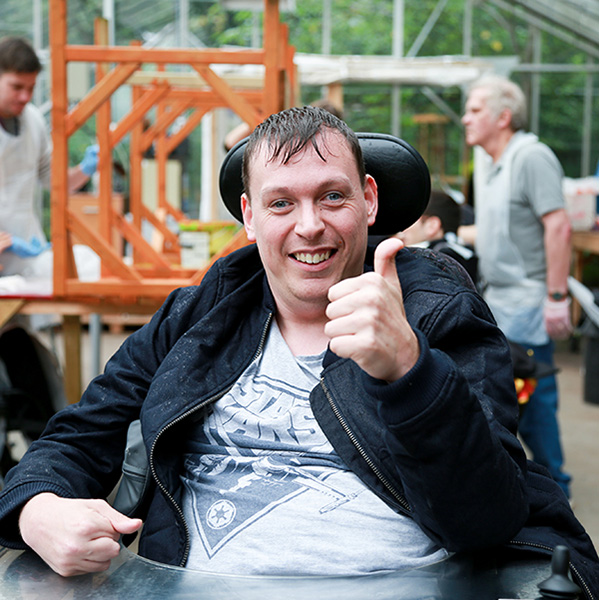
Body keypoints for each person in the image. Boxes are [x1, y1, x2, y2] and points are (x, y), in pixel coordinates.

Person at [0, 107, 597, 594]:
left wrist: (410, 371)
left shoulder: (438, 311)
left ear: (369, 199)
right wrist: (36, 510)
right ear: (250, 215)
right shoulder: (200, 314)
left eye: (331, 197)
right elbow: (77, 435)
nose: (309, 225)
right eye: (282, 203)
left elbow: (485, 517)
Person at [462, 74, 574, 500]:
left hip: (529, 298)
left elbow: (558, 226)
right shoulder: (491, 163)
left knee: (535, 398)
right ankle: (526, 483)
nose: (465, 118)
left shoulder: (531, 157)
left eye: (475, 110)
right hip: (500, 297)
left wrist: (557, 296)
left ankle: (558, 491)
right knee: (510, 394)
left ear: (503, 116)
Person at [0, 36, 98, 277]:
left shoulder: (33, 122)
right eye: (16, 87)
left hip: (25, 258)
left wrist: (85, 169)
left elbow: (56, 183)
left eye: (31, 88)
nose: (25, 96)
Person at [396, 190, 478, 284]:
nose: (402, 227)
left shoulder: (431, 260)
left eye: (411, 219)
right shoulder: (461, 254)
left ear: (432, 226)